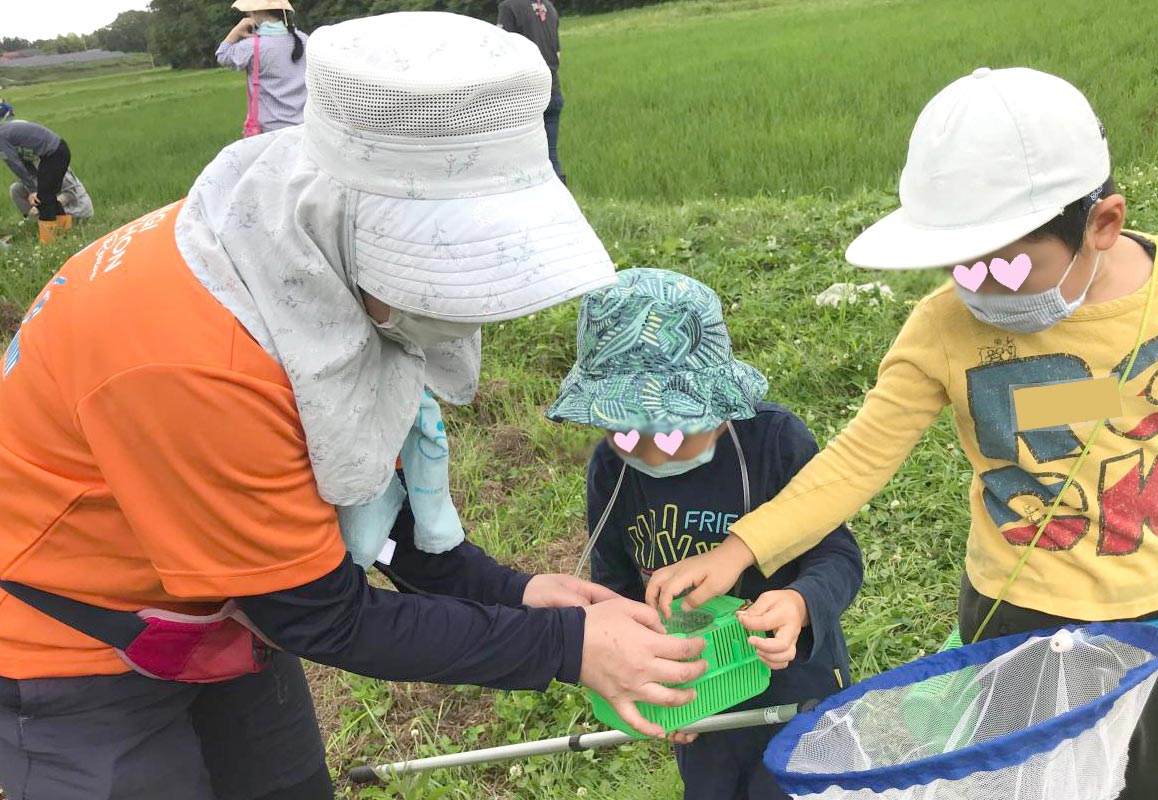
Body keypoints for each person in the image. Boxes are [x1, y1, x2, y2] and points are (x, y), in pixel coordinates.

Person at [0, 14, 707, 800]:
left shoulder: (293, 244)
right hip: (75, 644)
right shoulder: (199, 356)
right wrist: (564, 645)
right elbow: (323, 617)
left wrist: (512, 592)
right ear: (360, 227)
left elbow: (356, 486)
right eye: (439, 274)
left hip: (231, 598)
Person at [645, 67, 1158, 800]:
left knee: (1149, 782)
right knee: (1017, 782)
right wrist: (743, 547)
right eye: (961, 267)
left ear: (1102, 224)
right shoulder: (944, 326)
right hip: (1017, 611)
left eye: (1004, 265)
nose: (979, 290)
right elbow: (858, 457)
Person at [546, 268, 863, 800]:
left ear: (720, 404)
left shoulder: (772, 443)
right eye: (626, 430)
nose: (649, 452)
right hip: (696, 695)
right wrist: (652, 686)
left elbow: (838, 555)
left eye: (671, 430)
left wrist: (800, 604)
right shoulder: (611, 469)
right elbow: (617, 585)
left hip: (796, 692)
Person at [497, 0, 566, 185]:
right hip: (553, 90)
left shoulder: (508, 7)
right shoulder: (548, 6)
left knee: (520, 163)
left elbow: (503, 54)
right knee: (551, 158)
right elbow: (557, 53)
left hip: (525, 96)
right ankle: (562, 205)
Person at [216, 0, 308, 134]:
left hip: (271, 130)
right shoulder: (303, 39)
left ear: (256, 11)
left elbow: (222, 55)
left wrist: (236, 31)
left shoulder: (252, 46)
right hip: (306, 126)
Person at [0, 101, 79, 245]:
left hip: (54, 154)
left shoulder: (1, 135)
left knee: (43, 200)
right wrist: (34, 187)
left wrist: (32, 190)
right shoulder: (5, 130)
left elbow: (14, 163)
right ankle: (64, 233)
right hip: (57, 151)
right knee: (48, 196)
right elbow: (25, 160)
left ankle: (48, 243)